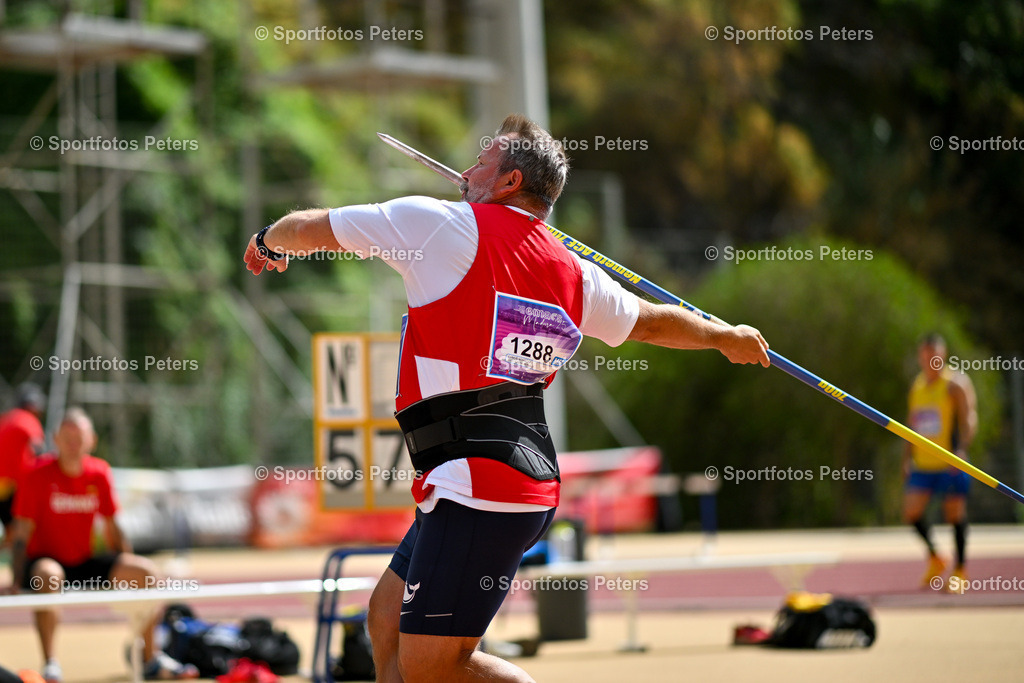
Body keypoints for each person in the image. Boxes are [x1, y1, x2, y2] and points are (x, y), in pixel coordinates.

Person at [243, 114, 770, 683]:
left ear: (511, 181)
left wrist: (266, 240)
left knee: (432, 667)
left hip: (483, 486)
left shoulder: (438, 226)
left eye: (482, 160)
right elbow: (651, 323)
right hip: (484, 477)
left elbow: (314, 228)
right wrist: (721, 336)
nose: (466, 170)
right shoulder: (576, 274)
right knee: (386, 624)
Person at [6, 408, 199, 682]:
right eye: (67, 437)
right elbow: (21, 531)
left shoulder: (98, 473)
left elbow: (113, 526)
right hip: (45, 562)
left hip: (85, 562)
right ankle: (51, 663)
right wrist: (15, 578)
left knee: (146, 573)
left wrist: (127, 565)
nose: (73, 445)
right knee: (49, 575)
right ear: (55, 439)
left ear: (91, 441)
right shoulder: (36, 475)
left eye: (79, 437)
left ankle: (149, 657)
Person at [903, 333, 977, 589]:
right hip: (923, 464)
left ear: (942, 355)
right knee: (912, 512)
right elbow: (910, 426)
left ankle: (960, 570)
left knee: (954, 514)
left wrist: (962, 450)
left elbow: (969, 419)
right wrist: (907, 458)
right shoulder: (918, 386)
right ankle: (936, 557)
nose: (929, 359)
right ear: (920, 356)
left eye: (934, 354)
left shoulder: (956, 384)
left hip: (950, 461)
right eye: (925, 355)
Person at [0, 383, 47, 539]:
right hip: (14, 485)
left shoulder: (6, 418)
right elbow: (38, 449)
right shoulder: (28, 420)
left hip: (3, 485)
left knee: (10, 530)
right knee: (24, 529)